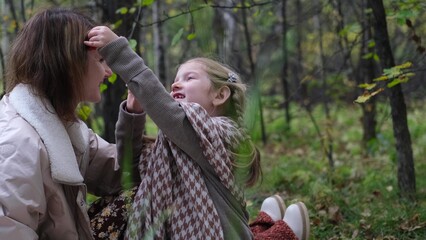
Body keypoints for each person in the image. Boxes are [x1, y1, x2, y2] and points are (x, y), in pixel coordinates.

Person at [85, 26, 310, 239]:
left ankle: (284, 233)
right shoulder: (173, 142)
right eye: (174, 80)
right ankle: (265, 225)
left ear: (220, 96)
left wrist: (119, 51)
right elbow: (130, 169)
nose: (175, 85)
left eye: (189, 78)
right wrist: (133, 115)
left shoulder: (219, 134)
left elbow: (171, 116)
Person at [0, 8, 144, 239]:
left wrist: (134, 115)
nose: (108, 71)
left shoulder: (64, 126)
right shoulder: (17, 144)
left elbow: (125, 172)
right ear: (68, 64)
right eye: (100, 60)